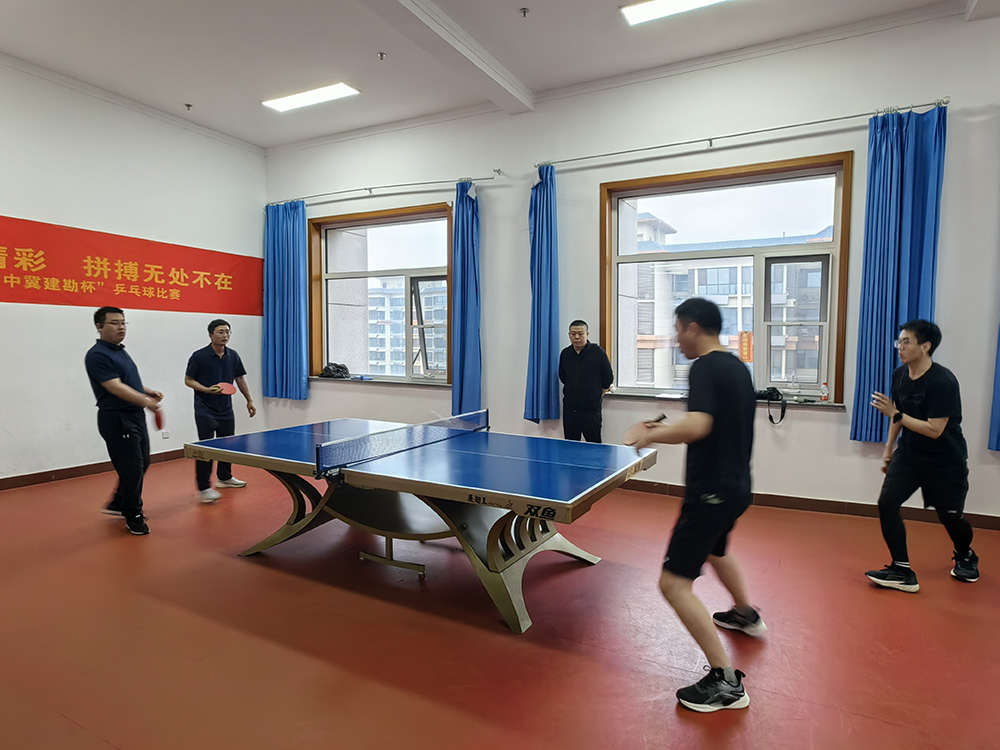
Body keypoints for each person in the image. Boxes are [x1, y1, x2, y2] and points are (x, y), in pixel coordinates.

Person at [633, 298, 762, 713]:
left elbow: (699, 424)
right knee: (717, 549)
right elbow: (713, 422)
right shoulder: (737, 367)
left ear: (692, 328)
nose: (676, 339)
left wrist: (651, 434)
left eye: (677, 330)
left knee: (672, 584)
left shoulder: (704, 366)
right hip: (737, 486)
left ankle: (726, 682)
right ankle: (745, 613)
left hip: (710, 492)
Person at [866, 320, 977, 591]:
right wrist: (889, 449)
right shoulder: (900, 375)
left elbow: (935, 429)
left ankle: (965, 554)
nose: (900, 347)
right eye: (899, 341)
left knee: (950, 517)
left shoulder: (942, 382)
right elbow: (898, 414)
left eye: (906, 342)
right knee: (887, 502)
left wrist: (896, 414)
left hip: (945, 460)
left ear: (925, 346)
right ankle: (901, 569)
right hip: (910, 454)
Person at [84, 306, 162, 535]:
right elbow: (114, 386)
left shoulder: (119, 351)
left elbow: (127, 381)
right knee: (132, 468)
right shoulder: (97, 355)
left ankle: (119, 502)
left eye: (123, 322)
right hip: (117, 419)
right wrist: (145, 401)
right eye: (115, 323)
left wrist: (147, 391)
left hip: (134, 416)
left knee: (142, 463)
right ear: (99, 326)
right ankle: (133, 514)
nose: (121, 327)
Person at [184, 318, 256, 503]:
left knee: (227, 445)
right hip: (204, 408)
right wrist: (206, 390)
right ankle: (204, 487)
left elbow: (239, 379)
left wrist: (249, 400)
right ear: (211, 335)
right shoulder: (199, 356)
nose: (225, 335)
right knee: (206, 448)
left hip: (225, 408)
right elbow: (188, 380)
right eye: (221, 332)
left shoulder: (233, 356)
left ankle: (224, 478)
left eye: (228, 332)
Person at [558, 320, 614, 442]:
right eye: (573, 334)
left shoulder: (598, 352)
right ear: (569, 335)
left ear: (587, 334)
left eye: (580, 333)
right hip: (570, 409)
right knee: (571, 445)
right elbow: (563, 377)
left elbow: (608, 378)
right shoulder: (565, 354)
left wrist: (598, 394)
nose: (577, 337)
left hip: (591, 410)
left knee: (594, 445)